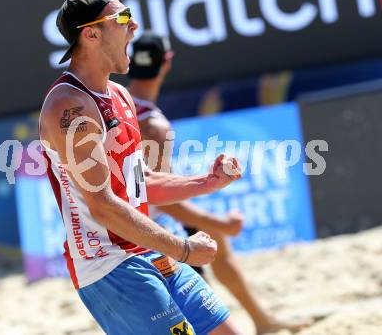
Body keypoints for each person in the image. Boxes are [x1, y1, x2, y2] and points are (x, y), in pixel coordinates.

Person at [39, 0, 244, 335]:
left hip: (146, 250)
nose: (133, 27)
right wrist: (182, 248)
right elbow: (103, 206)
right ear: (90, 34)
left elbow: (140, 182)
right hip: (109, 265)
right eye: (122, 18)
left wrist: (206, 182)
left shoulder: (119, 95)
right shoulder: (71, 107)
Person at [127, 31, 313, 335]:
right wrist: (221, 222)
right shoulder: (153, 124)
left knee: (213, 238)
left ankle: (262, 320)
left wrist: (214, 224)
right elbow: (160, 199)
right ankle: (255, 320)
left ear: (130, 62)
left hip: (124, 223)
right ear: (167, 61)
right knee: (201, 300)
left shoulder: (119, 104)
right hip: (148, 234)